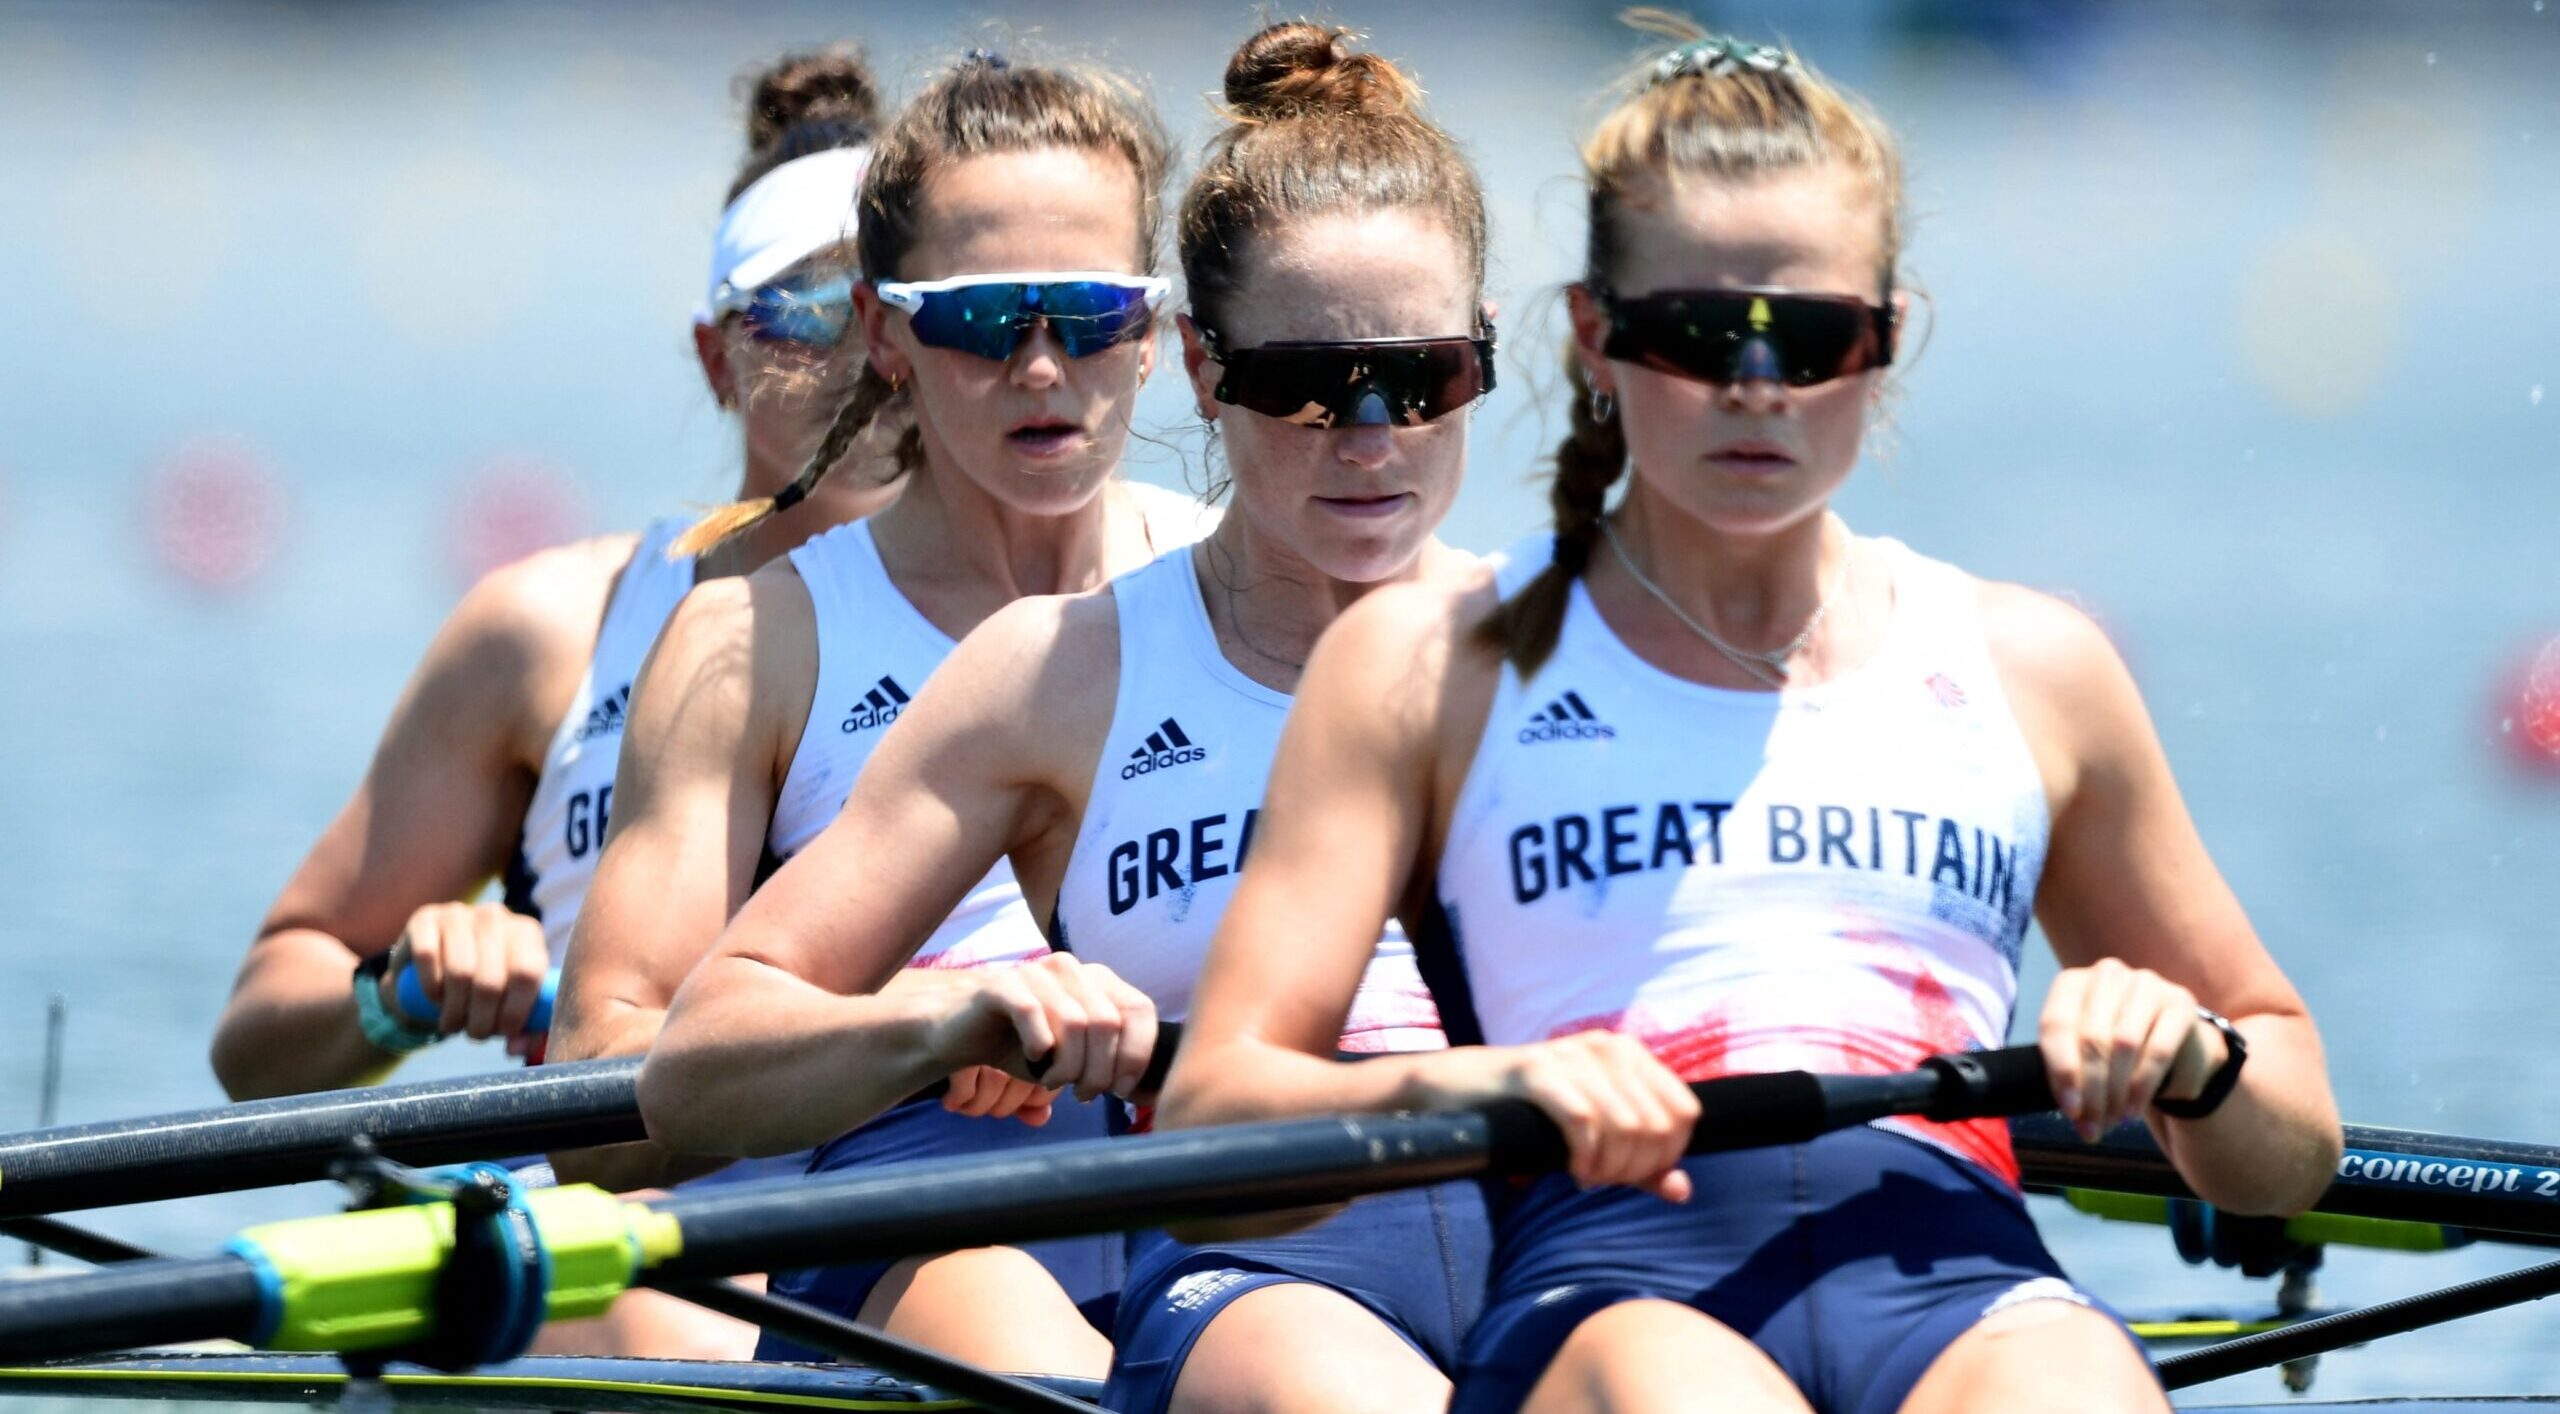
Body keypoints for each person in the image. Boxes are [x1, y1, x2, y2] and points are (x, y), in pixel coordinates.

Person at [1156, 21, 2344, 1414]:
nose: (1758, 386)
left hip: (1968, 1290)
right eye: (1698, 333)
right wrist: (1477, 1087)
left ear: (1887, 341)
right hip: (1613, 1291)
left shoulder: (2036, 667)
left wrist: (2197, 1061)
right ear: (1595, 337)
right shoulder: (1430, 665)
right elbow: (1215, 1119)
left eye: (1814, 337)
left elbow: (2292, 1149)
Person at [644, 24, 1498, 1411]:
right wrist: (951, 1018)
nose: (1367, 432)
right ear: (1210, 370)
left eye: (1425, 377)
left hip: (1535, 1225)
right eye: (1302, 380)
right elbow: (675, 1071)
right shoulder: (1042, 670)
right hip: (1129, 1237)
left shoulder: (1575, 640)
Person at [203, 45, 898, 1357]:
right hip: (621, 1223)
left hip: (927, 1194)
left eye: (889, 311)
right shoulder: (546, 630)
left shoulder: (1066, 614)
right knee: (687, 1326)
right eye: (803, 310)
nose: (858, 358)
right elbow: (255, 1041)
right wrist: (401, 993)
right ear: (715, 357)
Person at [549, 49, 1208, 1379]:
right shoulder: (759, 642)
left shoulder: (1240, 586)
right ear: (888, 332)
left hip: (1216, 1205)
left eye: (1087, 314)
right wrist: (925, 1028)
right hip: (912, 1236)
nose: (1041, 366)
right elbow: (599, 1108)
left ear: (1152, 330)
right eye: (983, 319)